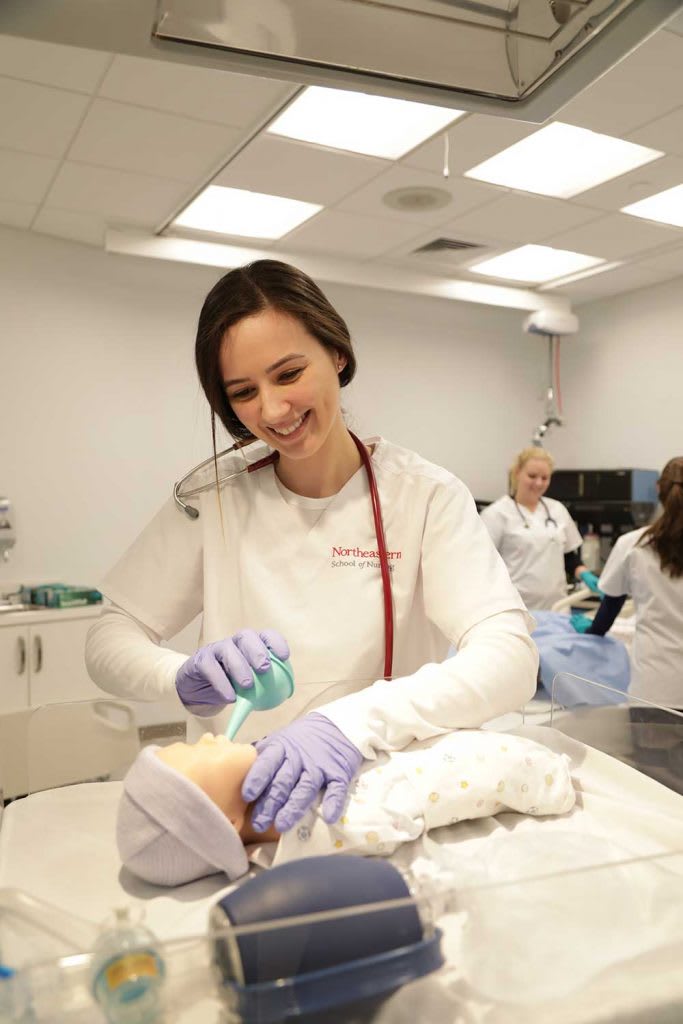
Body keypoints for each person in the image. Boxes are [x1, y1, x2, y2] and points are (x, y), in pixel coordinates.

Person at [85, 259, 538, 838]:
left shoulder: (424, 496)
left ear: (337, 353)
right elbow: (109, 636)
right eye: (244, 392)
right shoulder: (212, 497)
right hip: (244, 808)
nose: (273, 410)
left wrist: (347, 724)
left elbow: (510, 658)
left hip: (383, 798)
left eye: (289, 373)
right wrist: (178, 676)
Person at [116, 731, 575, 886]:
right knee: (509, 766)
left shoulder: (281, 763)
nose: (209, 735)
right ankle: (557, 779)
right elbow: (393, 820)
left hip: (435, 742)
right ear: (224, 822)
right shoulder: (307, 839)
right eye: (198, 750)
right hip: (488, 771)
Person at [571, 456, 683, 709]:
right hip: (658, 687)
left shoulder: (633, 544)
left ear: (658, 490)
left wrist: (591, 631)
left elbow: (610, 608)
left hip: (655, 688)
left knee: (650, 749)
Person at [480, 447, 599, 611]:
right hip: (515, 609)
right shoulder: (496, 514)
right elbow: (482, 564)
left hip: (557, 608)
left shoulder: (557, 510)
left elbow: (569, 557)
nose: (538, 483)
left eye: (545, 478)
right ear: (517, 473)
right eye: (532, 476)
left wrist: (584, 573)